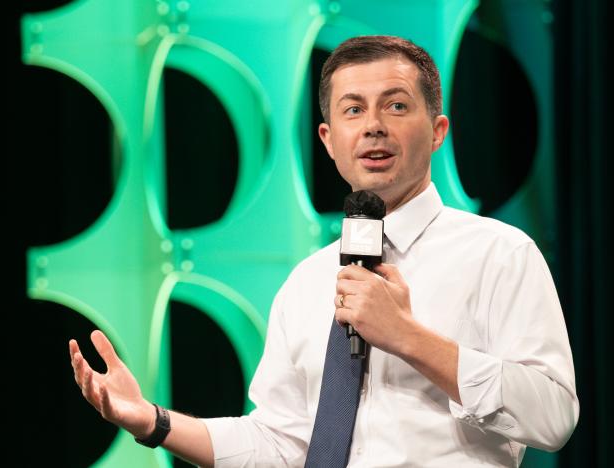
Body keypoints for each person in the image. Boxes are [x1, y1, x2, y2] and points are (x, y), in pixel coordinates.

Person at [69, 35, 579, 467]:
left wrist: (408, 338)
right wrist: (151, 420)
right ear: (330, 140)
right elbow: (278, 443)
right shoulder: (307, 281)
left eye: (396, 105)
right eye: (353, 110)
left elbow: (553, 416)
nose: (374, 125)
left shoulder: (500, 254)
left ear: (438, 130)